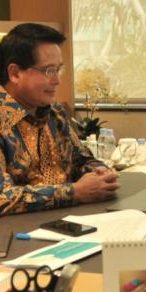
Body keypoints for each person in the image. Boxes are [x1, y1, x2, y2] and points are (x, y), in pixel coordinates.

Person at [0, 23, 119, 215]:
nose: (57, 80)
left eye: (58, 69)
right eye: (49, 71)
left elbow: (81, 159)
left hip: (66, 220)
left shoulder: (54, 113)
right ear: (15, 73)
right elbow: (2, 197)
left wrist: (100, 173)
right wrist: (75, 192)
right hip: (17, 230)